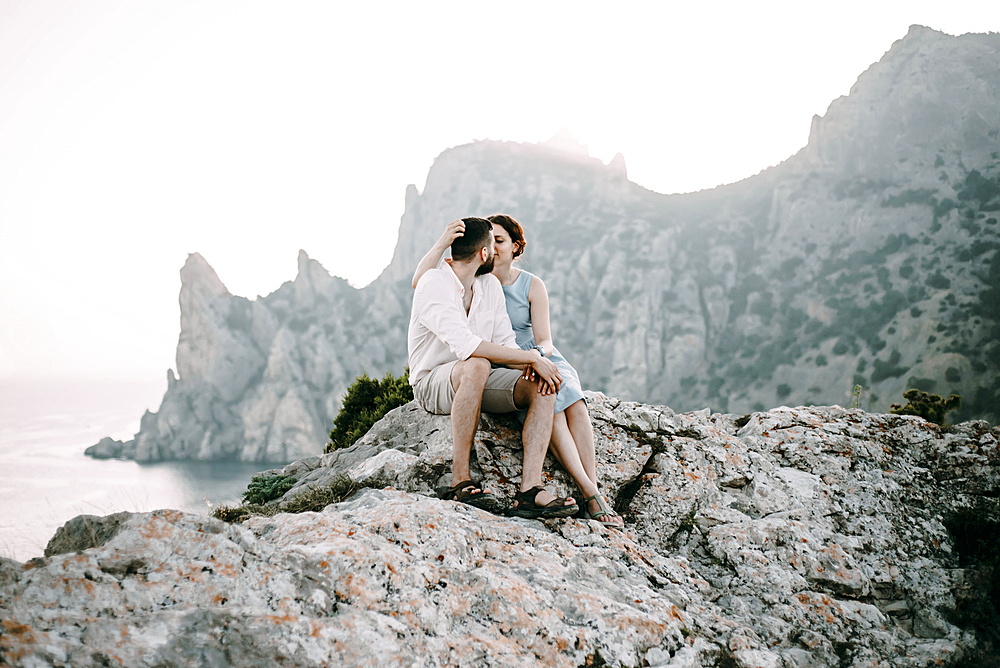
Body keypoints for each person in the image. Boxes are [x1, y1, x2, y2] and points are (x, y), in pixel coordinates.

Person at [412, 215, 623, 528]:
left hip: (477, 378)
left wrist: (534, 363)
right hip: (435, 381)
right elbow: (466, 346)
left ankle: (529, 491)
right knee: (478, 364)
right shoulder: (435, 283)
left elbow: (507, 343)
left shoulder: (489, 286)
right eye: (492, 246)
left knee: (539, 381)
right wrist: (532, 359)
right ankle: (460, 482)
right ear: (484, 254)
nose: (496, 253)